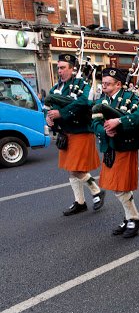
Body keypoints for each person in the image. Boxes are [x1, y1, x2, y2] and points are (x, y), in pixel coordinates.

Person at [46, 54, 105, 216]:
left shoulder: (81, 84)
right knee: (71, 169)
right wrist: (49, 117)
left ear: (72, 69)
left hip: (80, 132)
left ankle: (96, 191)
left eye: (63, 67)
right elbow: (48, 104)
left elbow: (84, 102)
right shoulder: (56, 88)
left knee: (76, 169)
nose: (60, 71)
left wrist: (61, 113)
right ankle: (80, 202)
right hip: (66, 134)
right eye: (58, 67)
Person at [91, 68, 139, 238]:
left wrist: (119, 121)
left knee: (120, 187)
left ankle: (134, 218)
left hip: (125, 146)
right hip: (109, 147)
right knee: (118, 187)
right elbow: (94, 124)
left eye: (108, 84)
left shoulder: (130, 98)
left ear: (118, 84)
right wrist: (104, 131)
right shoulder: (102, 101)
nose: (104, 87)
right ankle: (129, 216)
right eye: (103, 83)